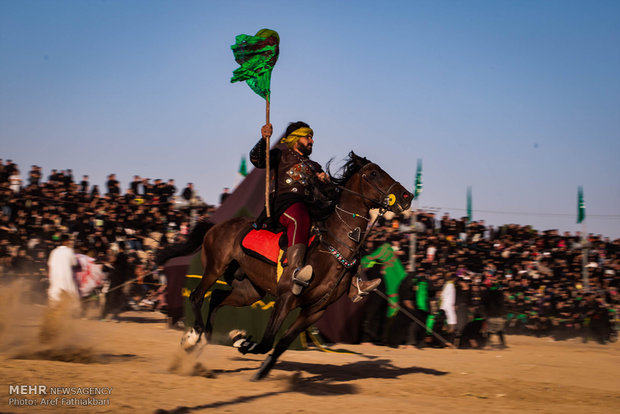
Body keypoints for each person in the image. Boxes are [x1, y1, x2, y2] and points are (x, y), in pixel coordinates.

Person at [250, 122, 380, 298]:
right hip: (284, 203)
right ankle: (295, 271)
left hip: (310, 205)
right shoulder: (280, 154)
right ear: (296, 138)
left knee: (341, 227)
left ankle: (353, 282)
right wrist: (264, 139)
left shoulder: (314, 166)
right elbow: (257, 160)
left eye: (311, 137)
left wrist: (324, 181)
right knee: (299, 214)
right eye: (307, 137)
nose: (311, 140)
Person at [47, 234, 79, 306]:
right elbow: (74, 263)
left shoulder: (54, 252)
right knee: (70, 293)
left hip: (55, 277)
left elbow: (49, 265)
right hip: (66, 277)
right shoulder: (69, 251)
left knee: (54, 295)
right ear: (66, 241)